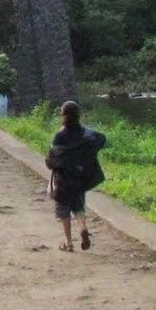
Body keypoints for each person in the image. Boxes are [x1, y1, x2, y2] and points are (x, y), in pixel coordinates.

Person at [44, 100, 107, 253]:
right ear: (78, 115)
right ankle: (83, 228)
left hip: (63, 182)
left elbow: (51, 159)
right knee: (78, 208)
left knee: (63, 212)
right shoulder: (85, 133)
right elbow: (101, 139)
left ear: (63, 115)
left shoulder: (58, 136)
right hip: (79, 180)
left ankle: (68, 242)